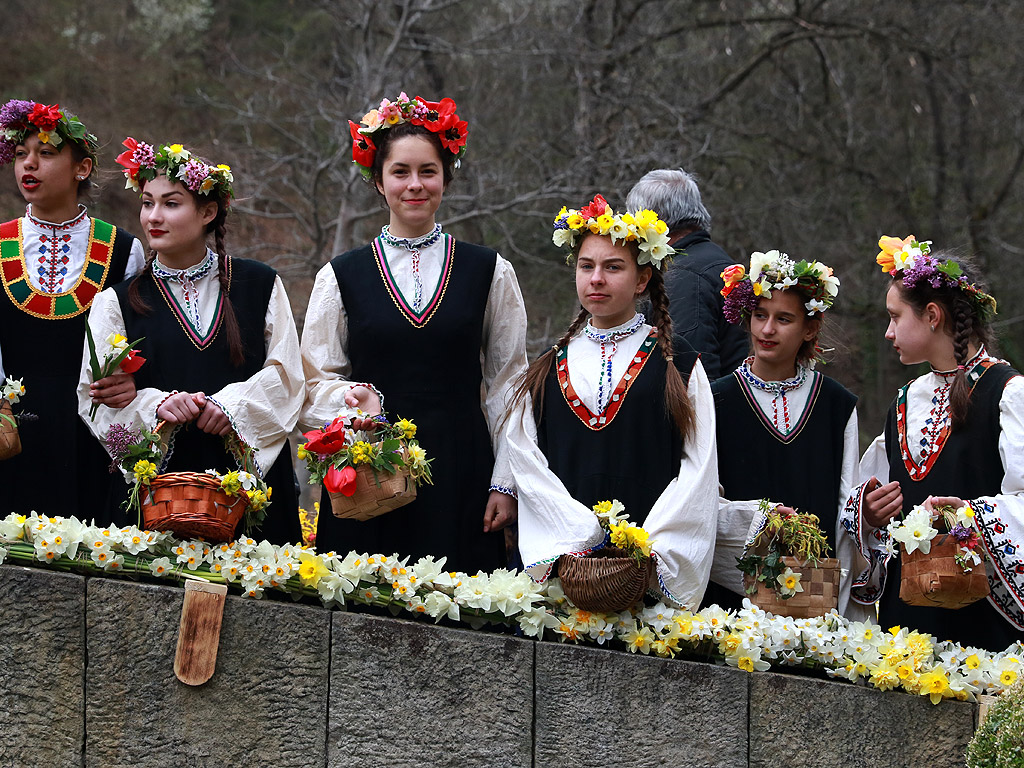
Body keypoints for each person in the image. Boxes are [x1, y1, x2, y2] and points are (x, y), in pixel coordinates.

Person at [300, 93, 527, 573]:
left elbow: (509, 383)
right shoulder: (340, 277)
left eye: (428, 171)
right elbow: (313, 381)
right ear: (379, 182)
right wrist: (355, 402)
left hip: (462, 474)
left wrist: (503, 483)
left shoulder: (489, 271)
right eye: (400, 172)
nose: (415, 185)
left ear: (447, 175)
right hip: (368, 477)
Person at [77, 138, 303, 543]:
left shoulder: (259, 284)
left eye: (171, 203)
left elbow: (287, 378)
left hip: (247, 492)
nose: (153, 217)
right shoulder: (117, 302)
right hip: (157, 496)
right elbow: (95, 401)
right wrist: (157, 405)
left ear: (208, 212)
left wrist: (230, 408)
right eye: (147, 203)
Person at [504, 195, 718, 608]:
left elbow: (700, 468)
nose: (596, 279)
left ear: (641, 280)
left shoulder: (681, 364)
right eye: (587, 266)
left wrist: (649, 551)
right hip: (565, 571)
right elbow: (526, 464)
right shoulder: (546, 367)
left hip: (645, 570)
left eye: (613, 267)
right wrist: (576, 536)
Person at [842, 236, 1024, 650]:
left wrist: (974, 516)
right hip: (908, 617)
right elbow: (870, 494)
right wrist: (868, 512)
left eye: (894, 317)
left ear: (932, 315)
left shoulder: (1008, 393)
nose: (887, 332)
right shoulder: (905, 401)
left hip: (983, 619)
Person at [704, 249, 868, 619]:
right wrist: (760, 519)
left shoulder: (836, 406)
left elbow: (846, 507)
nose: (767, 329)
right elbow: (700, 504)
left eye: (784, 319)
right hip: (729, 605)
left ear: (810, 328)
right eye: (760, 315)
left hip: (811, 601)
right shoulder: (715, 399)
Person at [0, 99, 145, 517]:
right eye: (21, 154)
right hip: (11, 427)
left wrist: (131, 382)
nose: (29, 164)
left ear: (81, 168)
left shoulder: (123, 250)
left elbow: (135, 343)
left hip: (92, 428)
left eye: (45, 154)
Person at [625, 168, 746, 380]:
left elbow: (690, 374)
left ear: (652, 223)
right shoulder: (715, 260)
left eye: (635, 222)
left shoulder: (684, 277)